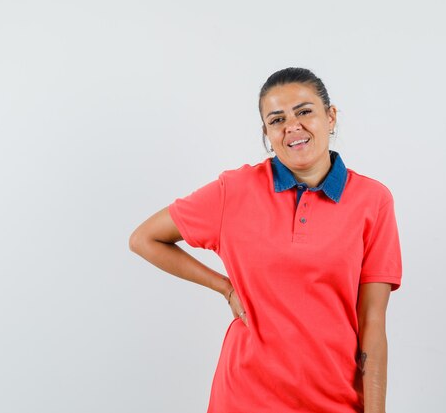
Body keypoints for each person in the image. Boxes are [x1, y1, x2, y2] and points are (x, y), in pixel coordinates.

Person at [129, 67, 402, 413]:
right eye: (277, 120)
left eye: (304, 112)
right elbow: (144, 239)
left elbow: (373, 325)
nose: (292, 127)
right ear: (266, 132)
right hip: (244, 398)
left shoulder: (373, 200)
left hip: (336, 400)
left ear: (330, 117)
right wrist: (225, 287)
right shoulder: (234, 191)